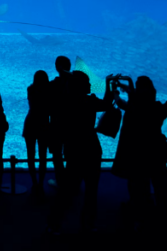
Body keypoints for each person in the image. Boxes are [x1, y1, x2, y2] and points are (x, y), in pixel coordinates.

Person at [47, 71, 115, 233]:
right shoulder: (89, 101)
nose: (90, 85)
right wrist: (108, 84)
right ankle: (88, 224)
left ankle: (55, 224)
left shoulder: (63, 102)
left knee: (66, 190)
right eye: (87, 82)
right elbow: (106, 103)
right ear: (81, 85)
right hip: (90, 148)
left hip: (73, 149)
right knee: (91, 190)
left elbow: (58, 127)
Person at [112, 74, 167, 226]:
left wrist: (115, 92)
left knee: (137, 182)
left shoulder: (132, 108)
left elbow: (120, 102)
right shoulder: (158, 108)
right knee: (160, 184)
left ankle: (139, 209)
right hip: (156, 152)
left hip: (136, 154)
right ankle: (162, 212)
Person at [23, 70, 51, 195]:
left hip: (31, 123)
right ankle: (38, 182)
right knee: (42, 156)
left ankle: (36, 182)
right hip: (43, 124)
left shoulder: (31, 89)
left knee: (32, 155)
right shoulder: (48, 91)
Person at [48, 56, 72, 187]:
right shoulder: (76, 84)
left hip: (56, 124)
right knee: (71, 154)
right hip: (72, 124)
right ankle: (71, 180)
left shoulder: (52, 85)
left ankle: (60, 181)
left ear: (57, 67)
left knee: (57, 154)